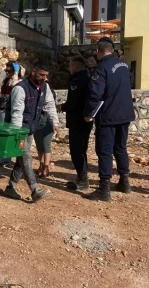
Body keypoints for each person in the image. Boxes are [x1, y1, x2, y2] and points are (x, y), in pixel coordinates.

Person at [83, 37, 136, 201]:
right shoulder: (124, 66)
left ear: (99, 52)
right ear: (112, 50)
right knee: (120, 148)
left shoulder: (101, 68)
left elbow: (95, 94)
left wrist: (89, 114)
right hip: (125, 114)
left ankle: (104, 188)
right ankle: (124, 182)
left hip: (109, 116)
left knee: (105, 151)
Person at [3, 61, 61, 202]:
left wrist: (56, 124)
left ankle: (11, 187)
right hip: (19, 130)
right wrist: (17, 135)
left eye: (46, 75)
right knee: (26, 157)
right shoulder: (20, 89)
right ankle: (35, 190)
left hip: (30, 129)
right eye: (41, 74)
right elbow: (17, 113)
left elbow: (50, 106)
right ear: (33, 71)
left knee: (21, 160)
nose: (44, 78)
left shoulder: (44, 87)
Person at [57, 56, 93, 190]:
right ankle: (81, 177)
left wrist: (62, 107)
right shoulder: (88, 78)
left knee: (76, 150)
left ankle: (83, 179)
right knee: (82, 148)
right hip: (86, 120)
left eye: (70, 66)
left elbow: (73, 102)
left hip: (77, 121)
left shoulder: (77, 81)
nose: (69, 68)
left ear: (75, 67)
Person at [0, 61, 22, 166]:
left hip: (12, 111)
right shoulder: (6, 81)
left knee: (10, 133)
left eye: (9, 70)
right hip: (4, 110)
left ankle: (9, 158)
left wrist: (16, 74)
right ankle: (5, 156)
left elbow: (15, 86)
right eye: (6, 70)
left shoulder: (18, 81)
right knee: (4, 132)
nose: (7, 72)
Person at [34, 84, 56, 178]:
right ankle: (41, 165)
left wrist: (56, 124)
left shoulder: (49, 93)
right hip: (37, 121)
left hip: (47, 121)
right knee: (39, 145)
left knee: (46, 145)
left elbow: (51, 109)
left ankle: (46, 167)